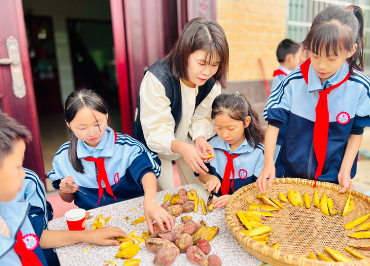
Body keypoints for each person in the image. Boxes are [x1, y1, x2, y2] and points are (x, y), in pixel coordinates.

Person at [258, 5, 370, 194]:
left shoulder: (360, 87)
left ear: (351, 50)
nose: (321, 66)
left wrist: (345, 170)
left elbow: (356, 131)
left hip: (333, 181)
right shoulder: (292, 82)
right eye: (315, 55)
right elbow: (273, 125)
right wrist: (268, 163)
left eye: (331, 58)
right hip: (290, 177)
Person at [0, 111, 128, 266]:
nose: (23, 175)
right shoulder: (57, 161)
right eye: (17, 167)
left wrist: (89, 235)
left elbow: (36, 235)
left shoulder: (10, 209)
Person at [48, 89, 173, 233]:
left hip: (136, 214)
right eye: (82, 128)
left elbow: (147, 172)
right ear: (69, 124)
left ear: (106, 116)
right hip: (95, 225)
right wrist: (66, 189)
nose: (92, 133)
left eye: (97, 124)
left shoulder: (127, 146)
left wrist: (150, 202)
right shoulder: (63, 157)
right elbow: (67, 198)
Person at [133, 17, 229, 191]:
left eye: (215, 65)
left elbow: (202, 117)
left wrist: (199, 137)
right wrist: (182, 147)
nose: (207, 72)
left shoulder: (211, 82)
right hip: (156, 145)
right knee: (164, 193)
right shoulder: (158, 79)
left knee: (199, 187)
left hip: (187, 139)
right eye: (201, 63)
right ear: (185, 53)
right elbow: (157, 131)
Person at [197, 92, 266, 208]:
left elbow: (261, 189)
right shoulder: (210, 146)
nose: (225, 134)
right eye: (218, 127)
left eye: (231, 128)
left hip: (245, 206)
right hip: (216, 205)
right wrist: (210, 177)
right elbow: (201, 173)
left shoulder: (258, 153)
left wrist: (236, 198)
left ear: (246, 122)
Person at [271, 39, 302, 179]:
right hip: (282, 126)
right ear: (290, 57)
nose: (300, 60)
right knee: (278, 156)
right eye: (299, 56)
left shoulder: (283, 75)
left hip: (284, 125)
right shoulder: (284, 78)